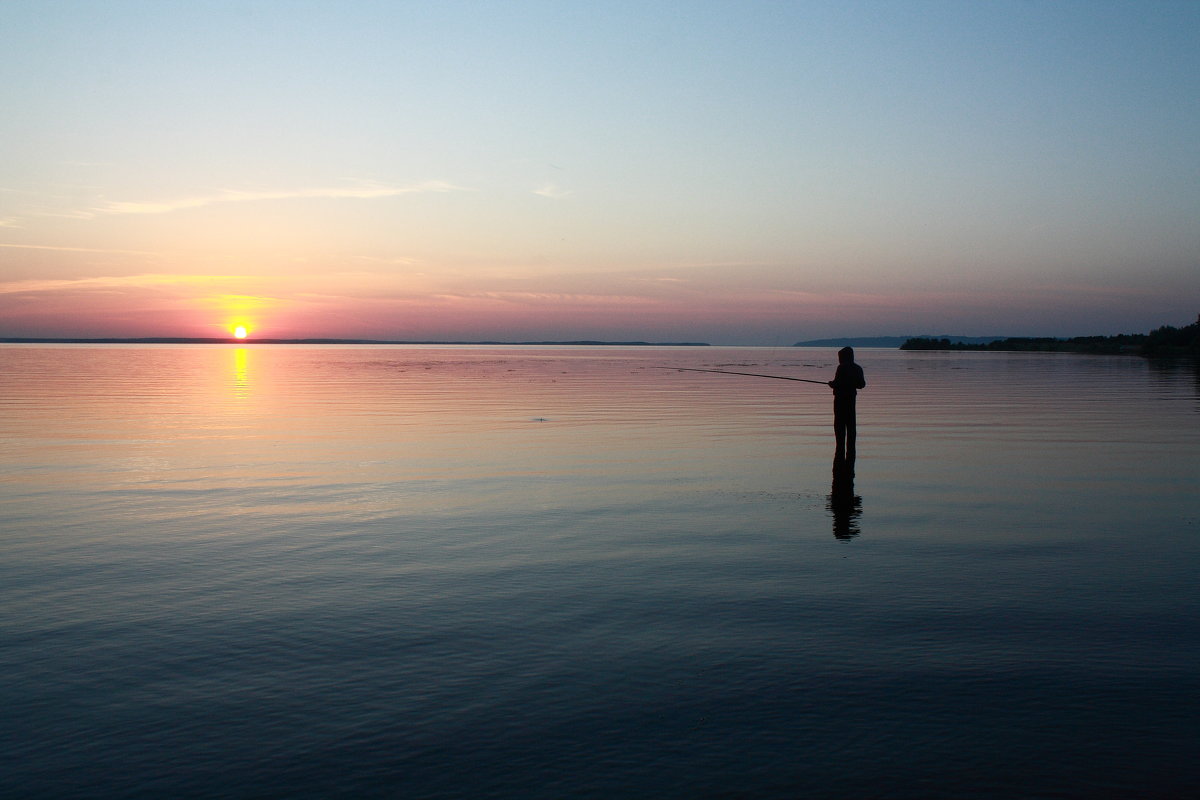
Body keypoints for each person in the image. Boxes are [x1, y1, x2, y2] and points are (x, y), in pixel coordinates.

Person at [828, 346, 866, 457]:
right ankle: (850, 451)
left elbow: (837, 383)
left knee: (839, 425)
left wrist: (832, 384)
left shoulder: (841, 368)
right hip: (851, 400)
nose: (839, 360)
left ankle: (840, 449)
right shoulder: (858, 368)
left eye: (840, 357)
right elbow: (862, 384)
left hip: (840, 401)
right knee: (851, 425)